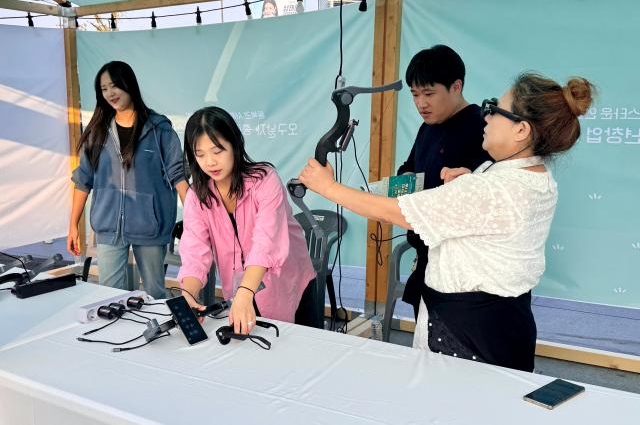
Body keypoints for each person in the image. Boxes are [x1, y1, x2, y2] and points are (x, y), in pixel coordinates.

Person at [300, 72, 594, 372]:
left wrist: (328, 188)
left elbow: (400, 213)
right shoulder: (535, 177)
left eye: (494, 109)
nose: (487, 117)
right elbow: (494, 214)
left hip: (466, 333)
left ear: (521, 130)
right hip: (505, 322)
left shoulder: (491, 188)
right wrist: (468, 183)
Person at [177, 106, 316, 335]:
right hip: (242, 290)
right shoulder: (197, 197)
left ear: (234, 144)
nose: (210, 162)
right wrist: (188, 296)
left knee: (299, 351)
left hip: (288, 281)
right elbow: (194, 251)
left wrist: (245, 291)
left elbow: (266, 242)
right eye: (200, 154)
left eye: (217, 151)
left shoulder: (264, 180)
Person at [68, 61, 187, 299]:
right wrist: (72, 225)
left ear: (128, 84)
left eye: (114, 86)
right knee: (108, 295)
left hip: (150, 226)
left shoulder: (159, 129)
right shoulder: (97, 132)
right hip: (109, 227)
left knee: (155, 293)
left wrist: (195, 220)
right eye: (104, 89)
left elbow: (178, 175)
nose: (110, 93)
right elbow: (83, 180)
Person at [398, 45, 492, 320]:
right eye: (415, 95)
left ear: (456, 86)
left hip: (463, 265)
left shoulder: (482, 128)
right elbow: (410, 167)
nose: (420, 104)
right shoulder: (427, 127)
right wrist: (403, 180)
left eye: (429, 94)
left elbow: (485, 194)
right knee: (425, 341)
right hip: (426, 253)